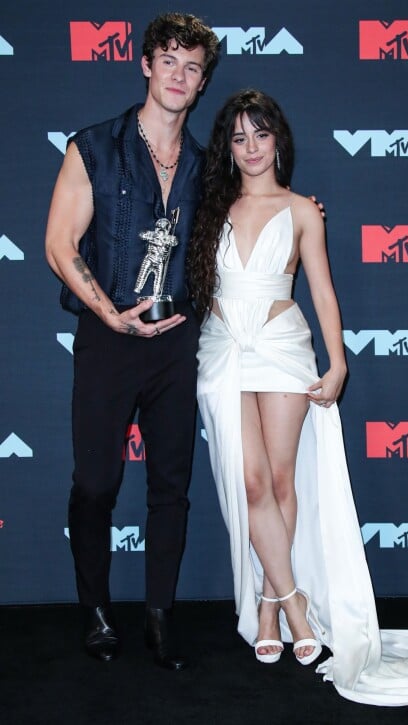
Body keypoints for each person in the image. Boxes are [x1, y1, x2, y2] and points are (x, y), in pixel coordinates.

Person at [188, 89, 408, 706]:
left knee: (279, 482)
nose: (250, 148)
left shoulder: (304, 210)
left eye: (261, 134)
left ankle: (272, 615)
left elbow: (324, 292)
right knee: (248, 484)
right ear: (227, 147)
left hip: (281, 346)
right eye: (238, 137)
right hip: (223, 350)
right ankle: (294, 604)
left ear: (280, 140)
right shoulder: (209, 206)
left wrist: (339, 362)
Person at [44, 13, 219, 669]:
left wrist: (300, 209)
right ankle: (94, 609)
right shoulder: (94, 146)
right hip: (108, 335)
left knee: (171, 486)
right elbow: (58, 245)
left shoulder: (205, 166)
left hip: (178, 338)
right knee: (96, 481)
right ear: (145, 65)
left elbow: (258, 202)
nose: (179, 75)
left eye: (192, 66)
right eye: (168, 60)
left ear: (202, 83)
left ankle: (158, 616)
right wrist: (110, 315)